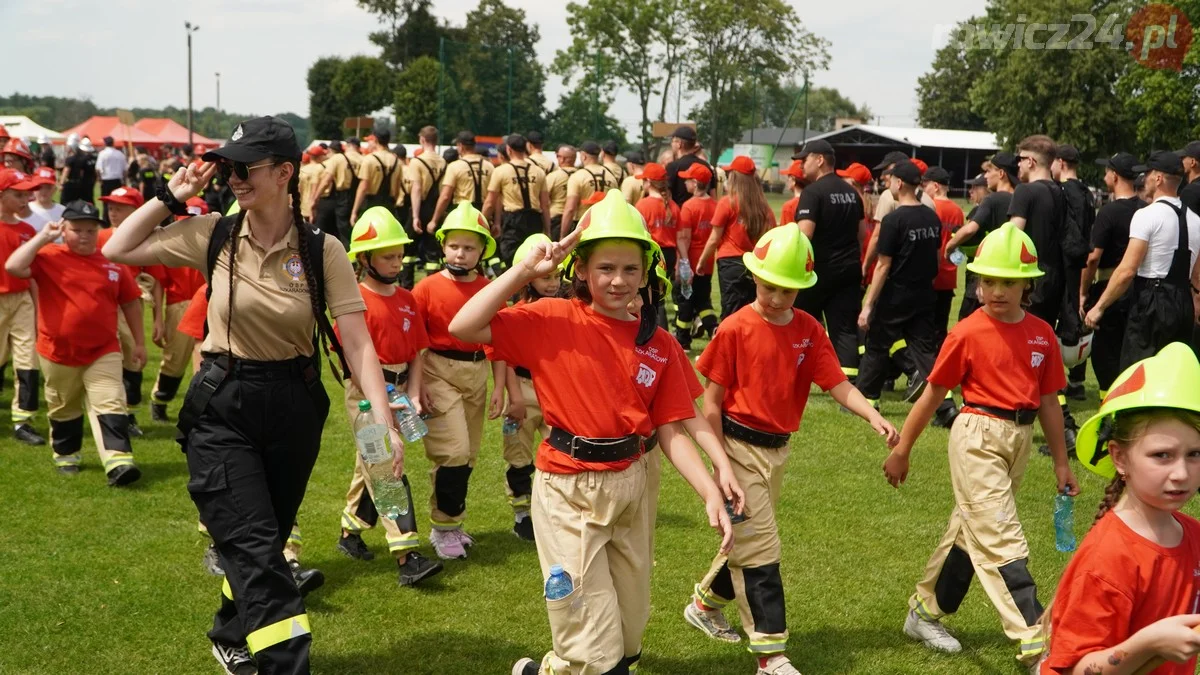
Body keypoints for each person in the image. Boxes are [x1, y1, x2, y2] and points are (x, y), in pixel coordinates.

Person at [102, 115, 401, 674]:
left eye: (246, 168)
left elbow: (357, 340)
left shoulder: (320, 249)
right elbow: (120, 246)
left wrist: (381, 424)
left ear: (285, 172)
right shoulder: (213, 232)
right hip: (223, 406)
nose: (234, 178)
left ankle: (229, 634)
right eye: (229, 167)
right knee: (261, 551)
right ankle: (285, 665)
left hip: (294, 406)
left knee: (258, 541)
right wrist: (172, 194)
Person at [447, 189, 735, 675]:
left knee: (627, 635)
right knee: (595, 650)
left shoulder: (659, 343)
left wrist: (710, 488)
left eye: (629, 269)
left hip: (631, 488)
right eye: (605, 268)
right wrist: (524, 273)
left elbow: (672, 429)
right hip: (568, 492)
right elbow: (463, 325)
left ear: (647, 274)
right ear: (580, 269)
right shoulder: (551, 318)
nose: (618, 280)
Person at [684, 223, 899, 675]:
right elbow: (711, 403)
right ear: (754, 278)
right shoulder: (735, 328)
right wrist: (719, 462)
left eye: (788, 290)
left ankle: (704, 605)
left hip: (777, 451)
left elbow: (837, 383)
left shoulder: (807, 329)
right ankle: (770, 656)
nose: (777, 298)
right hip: (737, 447)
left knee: (746, 538)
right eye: (768, 286)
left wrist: (872, 413)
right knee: (761, 548)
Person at [882, 223, 1079, 672]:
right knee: (1002, 538)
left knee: (971, 534)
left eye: (1008, 281)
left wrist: (1062, 464)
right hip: (977, 434)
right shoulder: (967, 332)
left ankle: (925, 612)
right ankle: (1035, 642)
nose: (995, 290)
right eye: (987, 279)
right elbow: (933, 394)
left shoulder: (1041, 334)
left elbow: (1049, 401)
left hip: (1019, 439)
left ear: (1028, 284)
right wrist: (902, 449)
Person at [1043, 342, 1200, 675]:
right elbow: (1073, 670)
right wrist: (1148, 644)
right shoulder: (1108, 556)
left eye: (1194, 454)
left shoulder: (1194, 535)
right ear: (1119, 457)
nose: (1182, 473)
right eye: (1162, 455)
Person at [333, 206, 445, 586]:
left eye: (399, 255)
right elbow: (353, 359)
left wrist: (413, 394)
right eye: (388, 256)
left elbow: (417, 353)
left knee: (371, 461)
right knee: (386, 466)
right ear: (364, 259)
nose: (397, 262)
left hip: (399, 390)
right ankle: (406, 555)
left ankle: (350, 531)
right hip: (366, 391)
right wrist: (382, 397)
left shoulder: (408, 299)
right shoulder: (354, 303)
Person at [6, 200, 145, 484]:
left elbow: (131, 303)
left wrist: (139, 343)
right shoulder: (47, 256)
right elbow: (13, 266)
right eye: (76, 229)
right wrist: (43, 237)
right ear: (62, 228)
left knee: (110, 401)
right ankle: (66, 455)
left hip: (104, 349)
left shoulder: (112, 262)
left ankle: (118, 461)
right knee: (63, 405)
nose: (84, 235)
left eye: (90, 230)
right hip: (57, 352)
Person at [412, 201, 506, 560]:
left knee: (468, 454)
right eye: (454, 246)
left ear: (482, 250)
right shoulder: (426, 288)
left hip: (477, 371)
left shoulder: (489, 289)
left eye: (469, 247)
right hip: (437, 370)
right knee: (453, 450)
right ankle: (444, 528)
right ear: (443, 246)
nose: (461, 254)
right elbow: (416, 344)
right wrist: (417, 385)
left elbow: (500, 341)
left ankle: (451, 523)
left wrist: (499, 386)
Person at [1086, 151, 1200, 370]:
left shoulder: (1147, 215)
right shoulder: (1195, 220)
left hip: (1152, 301)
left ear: (1158, 179)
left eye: (1146, 174)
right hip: (1183, 301)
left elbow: (1127, 270)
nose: (1142, 179)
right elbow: (1197, 273)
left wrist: (1099, 307)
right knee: (1173, 370)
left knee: (1138, 370)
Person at [855, 161, 941, 411]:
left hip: (896, 294)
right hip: (925, 292)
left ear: (899, 183)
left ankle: (868, 400)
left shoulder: (894, 220)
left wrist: (868, 305)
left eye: (890, 180)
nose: (888, 184)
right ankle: (944, 406)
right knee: (925, 350)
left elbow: (883, 266)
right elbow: (935, 259)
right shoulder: (931, 217)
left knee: (877, 345)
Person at [496, 232, 562, 541]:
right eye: (545, 276)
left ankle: (555, 509)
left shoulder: (564, 312)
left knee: (561, 451)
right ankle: (521, 512)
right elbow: (505, 359)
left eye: (556, 276)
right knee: (518, 455)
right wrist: (514, 397)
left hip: (554, 391)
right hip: (523, 388)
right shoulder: (516, 313)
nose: (551, 283)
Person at [793, 139, 866, 380]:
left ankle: (795, 371)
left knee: (801, 323)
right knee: (844, 329)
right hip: (848, 271)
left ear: (820, 159)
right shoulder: (851, 193)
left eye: (805, 159)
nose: (801, 165)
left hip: (819, 272)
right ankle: (849, 379)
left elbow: (804, 236)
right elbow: (861, 233)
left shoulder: (812, 193)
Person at [97, 186, 158, 437]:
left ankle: (130, 414)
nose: (113, 212)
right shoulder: (99, 237)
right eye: (110, 207)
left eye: (119, 207)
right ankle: (108, 413)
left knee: (133, 357)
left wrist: (158, 320)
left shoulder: (145, 239)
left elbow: (156, 279)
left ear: (136, 211)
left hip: (131, 305)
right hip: (104, 307)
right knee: (106, 359)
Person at [1082, 153, 1143, 399]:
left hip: (1109, 287)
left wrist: (1083, 291)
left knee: (1105, 354)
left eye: (1106, 171)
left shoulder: (1109, 212)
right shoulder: (1146, 208)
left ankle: (1109, 407)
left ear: (1114, 175)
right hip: (1139, 289)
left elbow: (1093, 257)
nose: (1104, 175)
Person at [147, 200, 208, 424]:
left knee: (205, 360)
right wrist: (158, 320)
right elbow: (159, 284)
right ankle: (160, 400)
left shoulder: (213, 242)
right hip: (179, 305)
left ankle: (202, 409)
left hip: (209, 302)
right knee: (174, 359)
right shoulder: (167, 244)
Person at [0, 169, 47, 445]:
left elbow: (32, 275)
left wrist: (39, 308)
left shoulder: (28, 231)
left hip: (22, 301)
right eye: (18, 194)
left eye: (26, 194)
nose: (25, 199)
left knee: (27, 359)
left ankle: (23, 420)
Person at [699, 156, 777, 320]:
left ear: (734, 177)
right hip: (755, 264)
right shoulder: (764, 207)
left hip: (730, 264)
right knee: (752, 312)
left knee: (731, 313)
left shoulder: (728, 203)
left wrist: (702, 262)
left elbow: (714, 239)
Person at [947, 152, 1019, 320]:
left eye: (989, 171)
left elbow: (970, 229)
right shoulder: (1021, 197)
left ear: (1001, 173)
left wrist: (950, 245)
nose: (986, 176)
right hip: (1012, 273)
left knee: (968, 324)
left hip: (986, 273)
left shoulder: (992, 199)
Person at [1051, 144, 1096, 400]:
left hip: (1067, 263)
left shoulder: (1065, 192)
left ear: (1060, 162)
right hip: (1081, 262)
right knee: (1076, 322)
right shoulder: (1087, 192)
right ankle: (1077, 382)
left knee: (1065, 322)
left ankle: (1059, 382)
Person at [486, 134, 551, 266]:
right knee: (533, 255)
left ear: (508, 150)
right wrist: (547, 229)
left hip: (513, 220)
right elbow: (545, 205)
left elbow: (490, 202)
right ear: (526, 147)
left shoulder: (501, 171)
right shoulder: (538, 172)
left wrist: (486, 223)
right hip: (534, 218)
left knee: (510, 256)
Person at [674, 163, 719, 349]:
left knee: (685, 300)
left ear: (695, 183)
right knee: (703, 300)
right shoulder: (715, 205)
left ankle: (683, 340)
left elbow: (684, 238)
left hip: (691, 260)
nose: (685, 183)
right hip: (707, 261)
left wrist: (684, 263)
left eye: (687, 180)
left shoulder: (689, 207)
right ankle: (714, 329)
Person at [923, 166, 964, 349]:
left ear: (936, 186)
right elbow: (959, 248)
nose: (924, 190)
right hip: (949, 277)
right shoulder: (958, 211)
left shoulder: (930, 207)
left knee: (925, 327)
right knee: (941, 327)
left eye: (926, 185)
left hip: (931, 276)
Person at [405, 127, 447, 287]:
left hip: (420, 207)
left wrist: (415, 217)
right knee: (433, 253)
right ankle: (433, 286)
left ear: (422, 140)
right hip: (436, 209)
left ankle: (407, 287)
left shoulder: (417, 162)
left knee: (409, 252)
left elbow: (416, 189)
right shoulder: (444, 162)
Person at [431, 131, 494, 227]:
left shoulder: (455, 166)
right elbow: (495, 197)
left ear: (460, 146)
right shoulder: (489, 166)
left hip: (462, 214)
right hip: (483, 214)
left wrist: (434, 220)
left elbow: (445, 197)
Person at [560, 141, 618, 237]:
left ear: (583, 156)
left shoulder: (578, 176)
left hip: (582, 225)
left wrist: (562, 236)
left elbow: (570, 209)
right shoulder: (611, 176)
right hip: (605, 226)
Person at [310, 140, 356, 245]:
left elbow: (326, 181)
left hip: (336, 198)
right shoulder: (357, 158)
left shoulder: (334, 160)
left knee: (333, 230)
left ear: (330, 150)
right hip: (353, 197)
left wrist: (314, 199)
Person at [351, 130, 401, 225]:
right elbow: (398, 187)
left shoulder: (369, 159)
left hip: (371, 204)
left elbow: (363, 187)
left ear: (375, 140)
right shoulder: (396, 161)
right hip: (389, 205)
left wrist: (354, 211)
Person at [666, 126, 715, 207]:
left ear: (679, 144)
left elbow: (667, 197)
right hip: (704, 216)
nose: (671, 144)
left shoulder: (673, 166)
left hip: (681, 215)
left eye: (673, 141)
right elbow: (713, 196)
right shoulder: (706, 166)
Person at [543, 145, 577, 241]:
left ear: (562, 159)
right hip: (577, 220)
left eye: (558, 156)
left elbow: (544, 200)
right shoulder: (581, 175)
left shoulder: (553, 177)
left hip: (556, 220)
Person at [26, 166, 65, 234]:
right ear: (33, 188)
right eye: (40, 187)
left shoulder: (63, 211)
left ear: (54, 189)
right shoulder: (26, 209)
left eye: (48, 187)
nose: (44, 191)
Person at [96, 137, 126, 219]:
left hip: (106, 180)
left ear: (105, 143)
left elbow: (98, 169)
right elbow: (124, 170)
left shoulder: (102, 153)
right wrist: (124, 181)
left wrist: (99, 180)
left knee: (106, 202)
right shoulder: (120, 154)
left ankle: (106, 220)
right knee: (118, 201)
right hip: (117, 180)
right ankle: (120, 218)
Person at [60, 136, 96, 205]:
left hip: (72, 184)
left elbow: (66, 171)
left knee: (66, 203)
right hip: (84, 184)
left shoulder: (71, 159)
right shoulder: (89, 158)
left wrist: (62, 183)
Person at [297, 149, 324, 224]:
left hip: (303, 206)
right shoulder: (322, 168)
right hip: (318, 206)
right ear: (320, 157)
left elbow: (298, 189)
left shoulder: (302, 170)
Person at [778, 160, 805, 225]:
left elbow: (785, 233)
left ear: (794, 180)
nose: (787, 180)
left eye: (788, 177)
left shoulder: (789, 206)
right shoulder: (815, 201)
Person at [1177, 140, 1200, 216]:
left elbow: (1188, 225)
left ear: (1192, 162)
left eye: (1183, 158)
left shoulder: (1190, 192)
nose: (1181, 162)